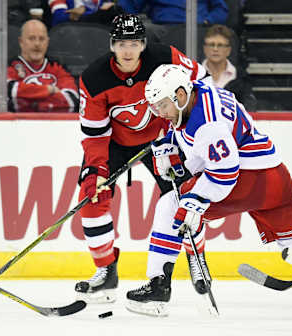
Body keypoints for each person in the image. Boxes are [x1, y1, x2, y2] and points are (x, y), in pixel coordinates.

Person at [125, 64, 292, 318]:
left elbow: (224, 173)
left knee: (170, 206)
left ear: (180, 95)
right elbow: (202, 147)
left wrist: (194, 202)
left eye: (163, 105)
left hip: (245, 178)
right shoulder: (201, 91)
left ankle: (158, 287)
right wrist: (169, 142)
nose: (160, 113)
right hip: (274, 177)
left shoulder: (207, 126)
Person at [75, 13, 207, 303]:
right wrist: (96, 170)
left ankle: (197, 260)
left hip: (160, 137)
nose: (128, 50)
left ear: (143, 44)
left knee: (185, 196)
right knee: (91, 195)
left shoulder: (164, 57)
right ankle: (106, 269)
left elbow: (202, 82)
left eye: (134, 43)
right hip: (115, 144)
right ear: (112, 45)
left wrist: (192, 127)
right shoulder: (94, 78)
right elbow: (94, 134)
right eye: (122, 44)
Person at [0, 19, 79, 112]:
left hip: (54, 125)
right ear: (21, 42)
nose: (37, 44)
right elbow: (2, 91)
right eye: (31, 38)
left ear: (47, 42)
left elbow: (71, 99)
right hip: (19, 125)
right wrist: (49, 90)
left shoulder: (57, 67)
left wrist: (28, 101)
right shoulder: (9, 67)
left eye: (41, 39)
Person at [202, 24, 257, 111]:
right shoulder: (195, 75)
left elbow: (249, 107)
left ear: (228, 50)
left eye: (220, 45)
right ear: (205, 48)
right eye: (211, 44)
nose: (215, 49)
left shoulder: (241, 77)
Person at [118, 0, 228, 25]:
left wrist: (207, 21)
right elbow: (130, 5)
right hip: (162, 27)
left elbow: (221, 9)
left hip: (197, 28)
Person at [48, 0, 123, 26]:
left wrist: (82, 12)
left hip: (96, 37)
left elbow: (107, 10)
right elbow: (59, 18)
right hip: (69, 37)